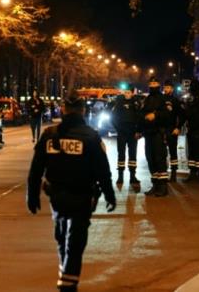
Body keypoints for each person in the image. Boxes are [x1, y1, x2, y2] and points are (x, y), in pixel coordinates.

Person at [27, 91, 116, 292]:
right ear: (83, 111)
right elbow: (103, 170)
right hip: (82, 196)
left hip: (57, 197)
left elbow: (36, 169)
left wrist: (32, 196)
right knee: (75, 243)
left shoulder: (49, 135)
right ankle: (67, 284)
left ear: (64, 109)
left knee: (61, 238)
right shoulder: (91, 137)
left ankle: (65, 277)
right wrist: (109, 195)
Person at [140, 76, 170, 196]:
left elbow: (167, 114)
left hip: (158, 132)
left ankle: (163, 186)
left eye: (155, 83)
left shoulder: (163, 99)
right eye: (151, 83)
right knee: (150, 159)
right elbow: (142, 114)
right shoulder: (147, 99)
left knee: (159, 159)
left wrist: (155, 115)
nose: (152, 85)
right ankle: (155, 184)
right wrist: (140, 129)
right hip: (148, 133)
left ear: (158, 85)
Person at [111, 84, 141, 185]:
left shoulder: (136, 103)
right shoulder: (119, 102)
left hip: (133, 133)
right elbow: (113, 117)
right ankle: (120, 177)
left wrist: (138, 131)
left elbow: (140, 118)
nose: (127, 94)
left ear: (132, 93)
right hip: (122, 132)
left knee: (133, 155)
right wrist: (118, 129)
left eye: (129, 92)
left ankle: (133, 176)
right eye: (125, 92)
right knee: (121, 154)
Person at [183, 79, 199, 182]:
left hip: (196, 128)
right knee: (192, 152)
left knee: (197, 152)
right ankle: (193, 174)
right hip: (192, 128)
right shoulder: (193, 97)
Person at [162, 80, 184, 182]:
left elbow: (182, 116)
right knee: (162, 152)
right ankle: (164, 172)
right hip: (162, 130)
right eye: (165, 87)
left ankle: (174, 174)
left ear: (172, 89)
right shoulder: (160, 100)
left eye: (169, 87)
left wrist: (178, 128)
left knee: (173, 152)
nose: (167, 89)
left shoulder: (175, 100)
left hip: (171, 129)